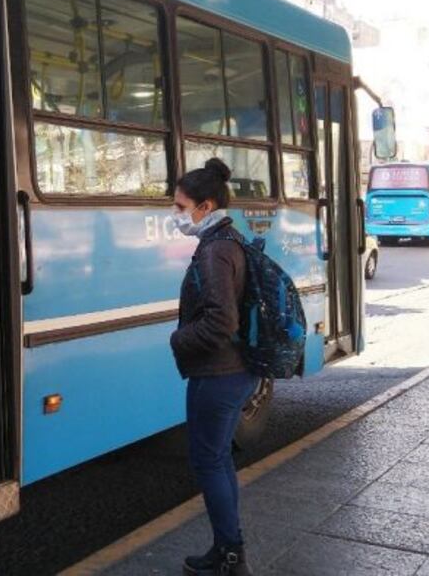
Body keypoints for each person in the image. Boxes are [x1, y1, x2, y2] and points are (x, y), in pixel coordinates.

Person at [170, 158, 256, 576]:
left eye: (180, 206)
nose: (176, 215)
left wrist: (178, 340)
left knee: (209, 462)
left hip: (218, 374)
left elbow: (221, 321)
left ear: (204, 207)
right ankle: (228, 549)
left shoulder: (215, 251)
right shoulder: (230, 239)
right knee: (218, 459)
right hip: (235, 371)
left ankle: (230, 555)